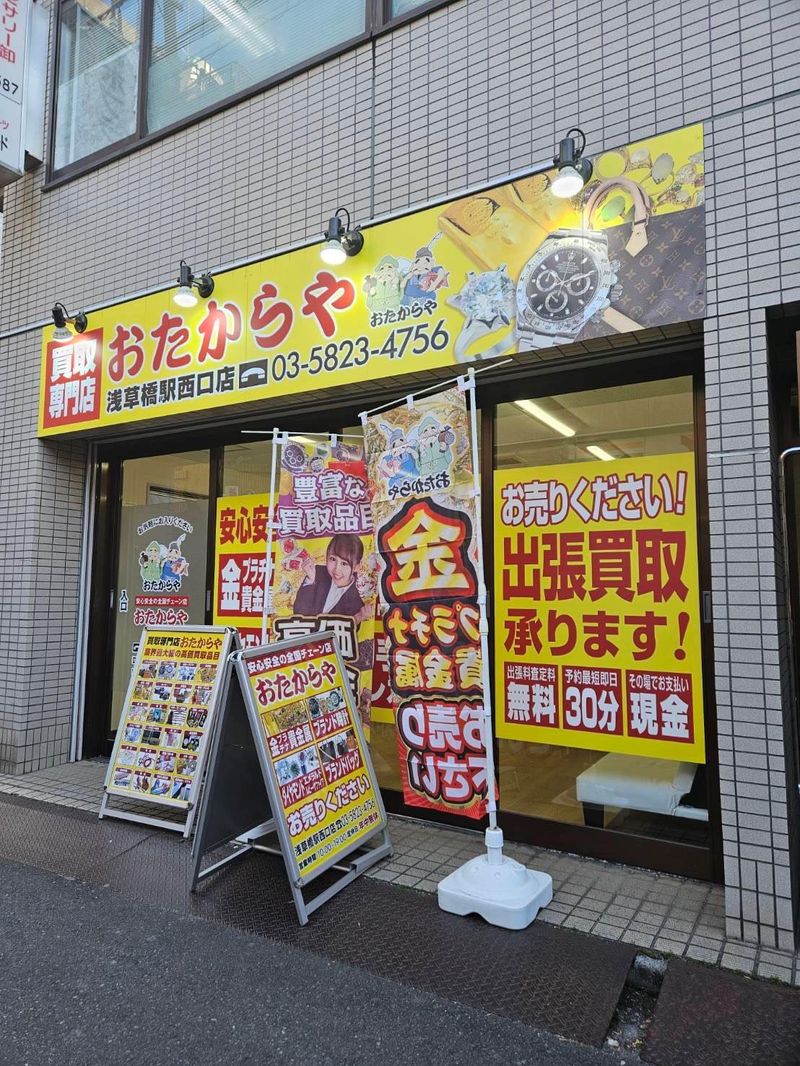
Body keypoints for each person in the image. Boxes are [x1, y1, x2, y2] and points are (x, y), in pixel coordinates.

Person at [293, 533, 368, 622]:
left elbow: (349, 630)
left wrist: (357, 618)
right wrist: (311, 580)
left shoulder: (358, 603)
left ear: (357, 567)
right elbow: (298, 614)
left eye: (344, 563)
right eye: (333, 559)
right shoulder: (317, 573)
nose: (337, 569)